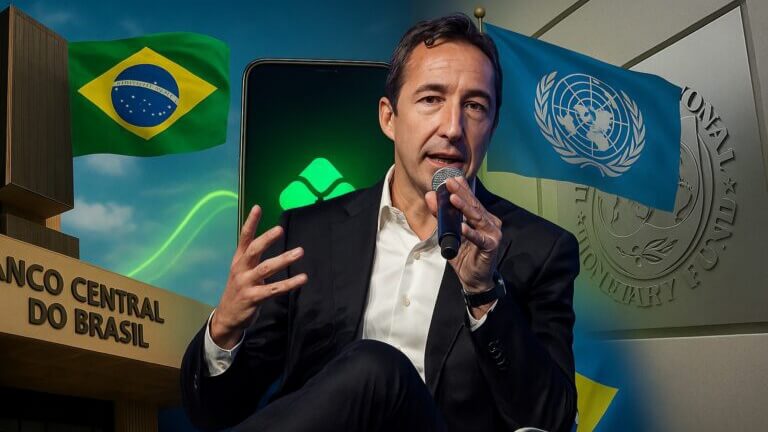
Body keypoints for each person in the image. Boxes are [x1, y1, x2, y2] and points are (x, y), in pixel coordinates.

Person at [181, 13, 579, 432]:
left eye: (475, 106)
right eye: (431, 99)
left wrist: (484, 294)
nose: (452, 128)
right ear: (389, 117)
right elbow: (215, 412)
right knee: (372, 366)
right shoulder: (307, 235)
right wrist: (224, 328)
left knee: (377, 367)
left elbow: (552, 420)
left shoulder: (538, 249)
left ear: (492, 127)